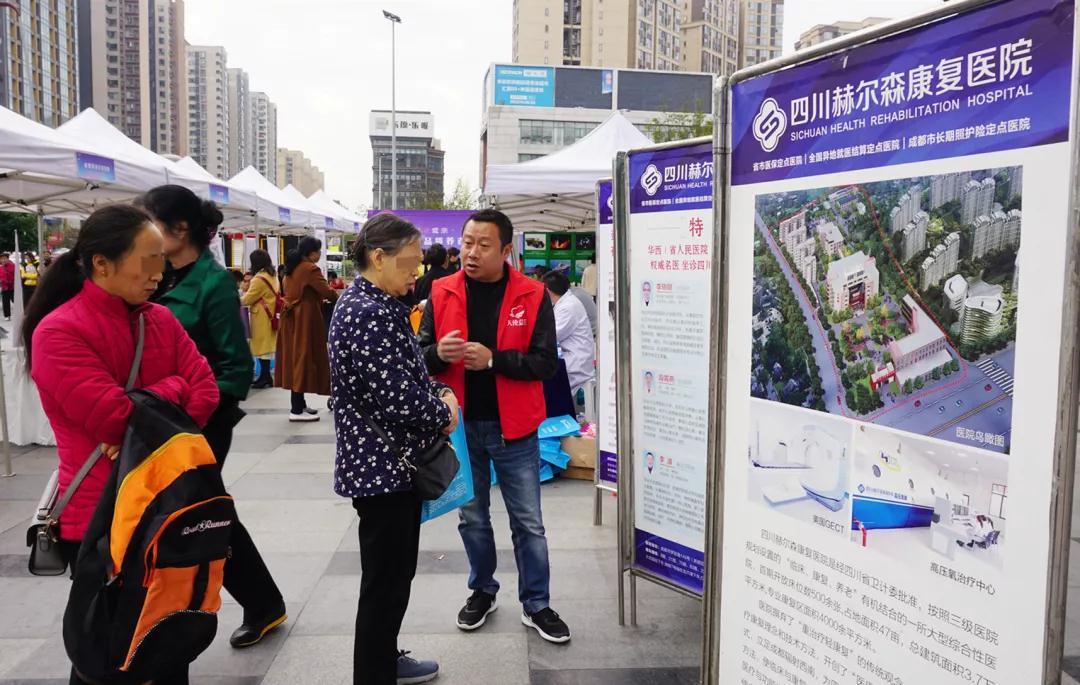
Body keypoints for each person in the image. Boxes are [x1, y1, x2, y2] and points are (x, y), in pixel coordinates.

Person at [23, 204, 220, 684]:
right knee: (111, 652)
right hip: (102, 516)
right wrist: (172, 392)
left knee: (167, 640)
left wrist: (145, 410)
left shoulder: (160, 320)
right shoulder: (59, 331)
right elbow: (114, 419)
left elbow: (207, 391)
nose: (159, 273)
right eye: (147, 260)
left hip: (169, 507)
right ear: (101, 263)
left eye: (161, 260)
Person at [139, 185, 288, 649]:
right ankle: (262, 603)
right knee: (203, 512)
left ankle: (257, 604)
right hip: (155, 420)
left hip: (201, 423)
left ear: (180, 228)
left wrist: (194, 409)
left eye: (151, 222)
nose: (144, 232)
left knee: (202, 513)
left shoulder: (214, 282)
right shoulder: (156, 275)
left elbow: (235, 368)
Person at [417, 209, 571, 644]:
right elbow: (419, 356)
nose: (471, 252)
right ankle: (482, 591)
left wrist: (494, 360)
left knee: (529, 522)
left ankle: (537, 603)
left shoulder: (532, 294)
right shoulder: (442, 290)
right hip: (460, 428)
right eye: (467, 242)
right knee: (472, 518)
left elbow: (545, 363)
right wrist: (437, 354)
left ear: (505, 251)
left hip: (515, 428)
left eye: (483, 245)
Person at [330, 213, 458, 685]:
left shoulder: (377, 303)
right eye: (409, 261)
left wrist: (438, 392)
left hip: (386, 467)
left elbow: (408, 374)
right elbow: (398, 397)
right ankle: (375, 672)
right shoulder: (367, 311)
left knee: (392, 577)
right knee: (385, 584)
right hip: (382, 471)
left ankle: (385, 658)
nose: (416, 271)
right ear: (378, 257)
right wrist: (443, 411)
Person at [276, 236, 339, 421]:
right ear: (311, 253)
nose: (319, 254)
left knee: (294, 359)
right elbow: (326, 291)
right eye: (319, 251)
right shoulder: (310, 269)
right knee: (302, 359)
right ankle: (296, 410)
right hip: (304, 319)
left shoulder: (291, 267)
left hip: (290, 318)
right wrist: (341, 298)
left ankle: (299, 404)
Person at [541, 270, 596, 395]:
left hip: (576, 367)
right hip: (574, 360)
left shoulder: (568, 307)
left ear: (547, 290)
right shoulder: (566, 302)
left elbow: (550, 336)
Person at [242, 249, 280, 390]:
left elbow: (248, 298)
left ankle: (264, 377)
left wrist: (234, 299)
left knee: (262, 347)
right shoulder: (273, 275)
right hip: (270, 314)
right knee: (266, 347)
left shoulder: (259, 279)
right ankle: (266, 376)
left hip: (261, 317)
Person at [0, 252, 14, 320]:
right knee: (5, 302)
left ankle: (21, 313)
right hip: (4, 287)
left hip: (12, 287)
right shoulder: (0, 268)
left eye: (5, 258)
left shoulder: (13, 266)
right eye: (1, 259)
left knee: (15, 301)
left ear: (8, 259)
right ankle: (7, 316)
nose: (3, 260)